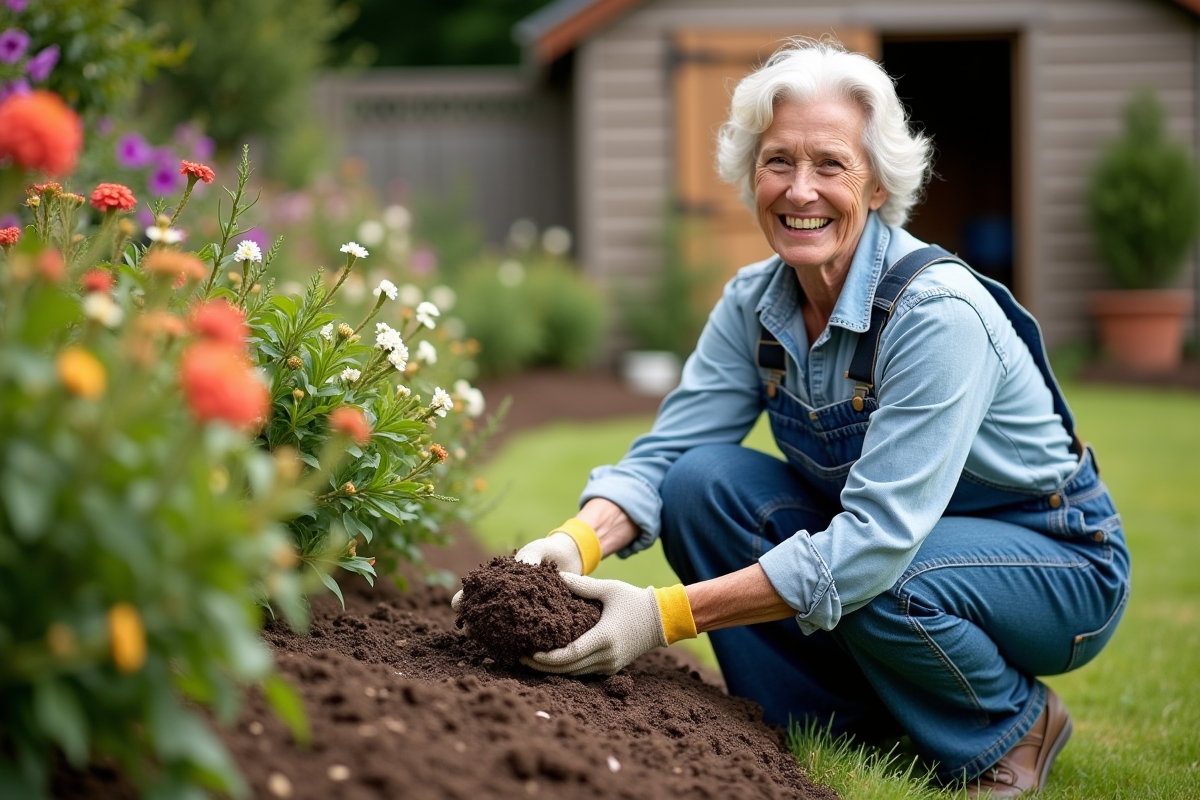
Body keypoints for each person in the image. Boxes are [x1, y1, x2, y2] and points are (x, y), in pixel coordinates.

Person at [454, 39, 1130, 797]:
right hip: (907, 542)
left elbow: (875, 541)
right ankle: (845, 719)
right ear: (753, 174)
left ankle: (1013, 723)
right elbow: (672, 450)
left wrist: (663, 616)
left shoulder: (936, 315)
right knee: (700, 484)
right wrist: (575, 542)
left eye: (831, 165)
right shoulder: (756, 300)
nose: (799, 190)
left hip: (1055, 559)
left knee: (883, 576)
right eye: (778, 161)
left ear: (878, 184)